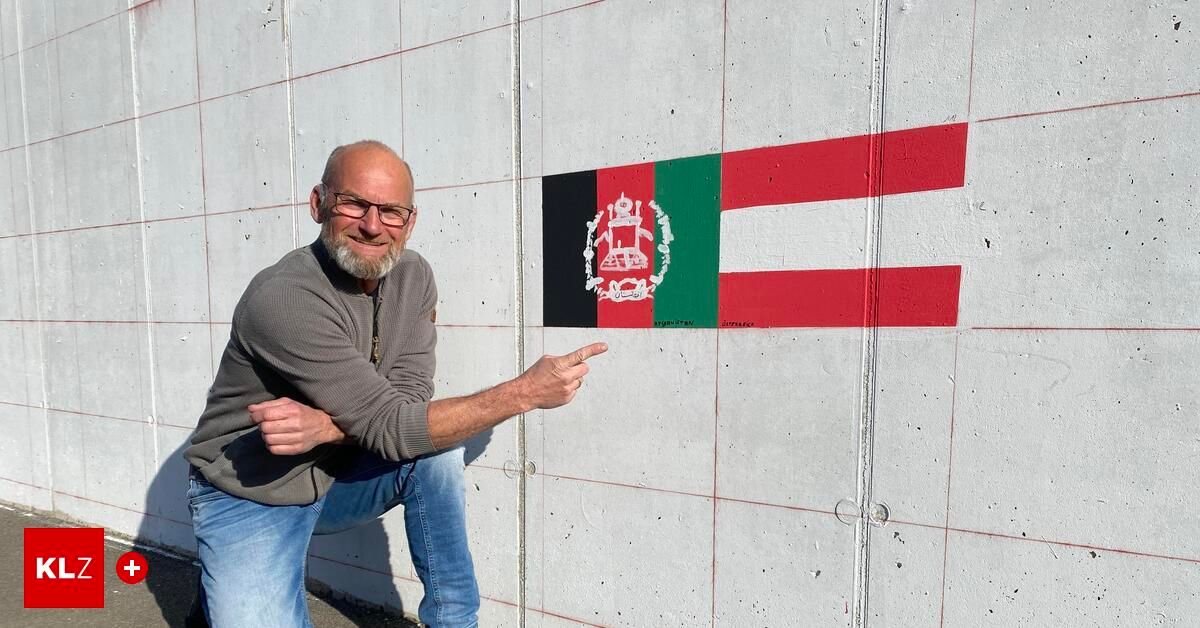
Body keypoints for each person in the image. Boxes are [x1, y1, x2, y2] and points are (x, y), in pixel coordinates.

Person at [184, 140, 606, 627]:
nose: (372, 225)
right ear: (318, 204)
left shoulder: (413, 276)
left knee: (437, 451)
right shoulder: (284, 296)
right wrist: (524, 393)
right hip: (252, 492)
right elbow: (391, 424)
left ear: (410, 221)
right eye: (354, 204)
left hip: (334, 479)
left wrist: (327, 428)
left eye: (391, 211)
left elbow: (408, 401)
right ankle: (227, 569)